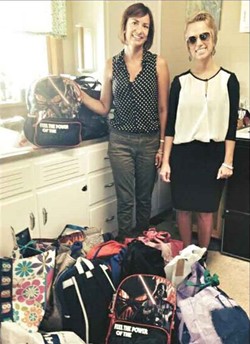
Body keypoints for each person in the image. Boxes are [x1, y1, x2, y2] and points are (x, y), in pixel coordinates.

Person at [73, 3, 169, 241]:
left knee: (144, 198)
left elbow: (164, 109)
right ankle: (126, 246)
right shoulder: (111, 64)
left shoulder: (158, 64)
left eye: (145, 25)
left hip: (149, 142)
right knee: (125, 200)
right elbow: (104, 107)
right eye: (135, 23)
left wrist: (160, 145)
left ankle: (145, 245)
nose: (140, 29)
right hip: (120, 142)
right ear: (125, 27)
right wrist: (82, 95)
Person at [160, 11, 239, 250]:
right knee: (182, 210)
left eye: (203, 36)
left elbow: (230, 128)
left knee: (206, 212)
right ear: (188, 46)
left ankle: (201, 257)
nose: (199, 43)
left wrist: (228, 162)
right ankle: (186, 254)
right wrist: (165, 161)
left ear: (213, 39)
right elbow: (171, 126)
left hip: (212, 155)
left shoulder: (228, 81)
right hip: (182, 154)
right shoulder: (180, 83)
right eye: (192, 39)